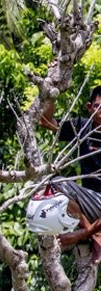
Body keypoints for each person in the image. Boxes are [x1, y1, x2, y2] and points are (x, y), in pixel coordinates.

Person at [37, 86, 101, 262]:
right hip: (90, 203)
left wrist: (81, 235)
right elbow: (45, 122)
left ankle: (89, 235)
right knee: (53, 184)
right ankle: (94, 234)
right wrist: (51, 92)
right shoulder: (82, 126)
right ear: (89, 107)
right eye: (98, 106)